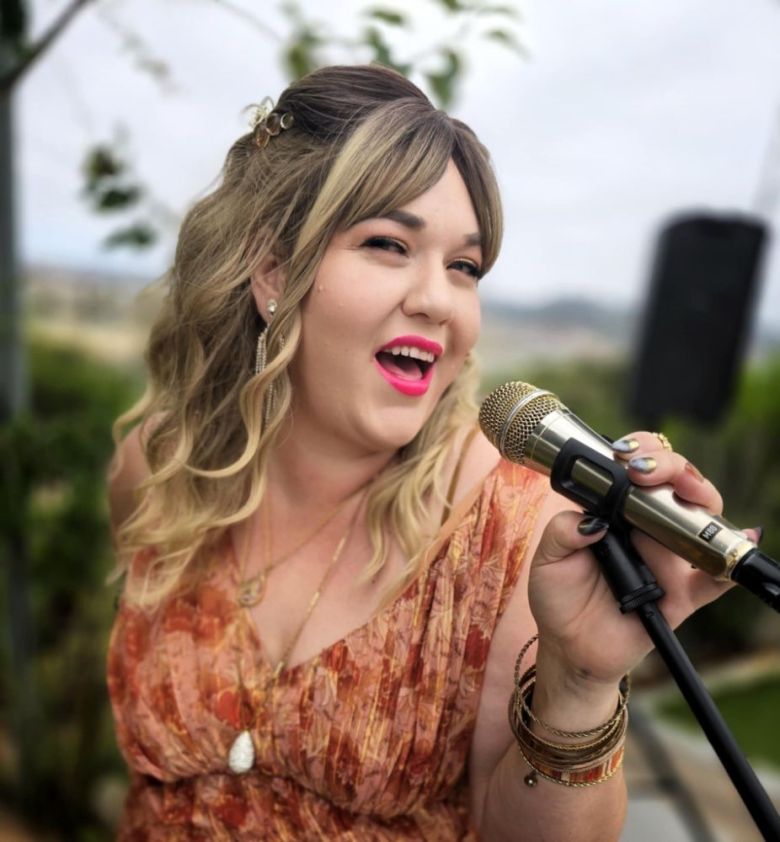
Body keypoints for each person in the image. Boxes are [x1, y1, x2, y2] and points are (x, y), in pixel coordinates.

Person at [106, 64, 741, 840]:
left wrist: (578, 684)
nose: (438, 299)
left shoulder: (519, 534)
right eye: (387, 244)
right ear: (273, 270)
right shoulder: (161, 470)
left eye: (464, 267)